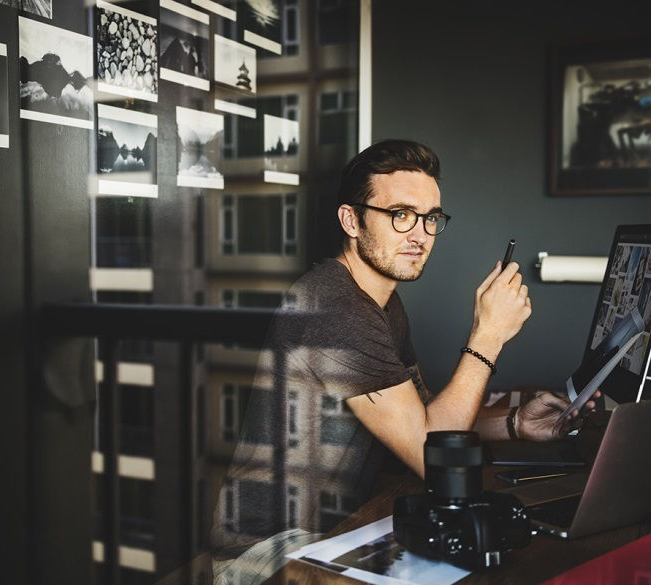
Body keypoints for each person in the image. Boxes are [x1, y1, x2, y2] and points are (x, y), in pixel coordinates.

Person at [209, 139, 598, 585]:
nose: (419, 234)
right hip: (265, 552)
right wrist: (488, 337)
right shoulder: (333, 307)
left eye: (431, 217)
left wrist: (514, 423)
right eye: (400, 215)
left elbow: (427, 418)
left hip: (335, 531)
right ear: (351, 220)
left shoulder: (382, 304)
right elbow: (431, 456)